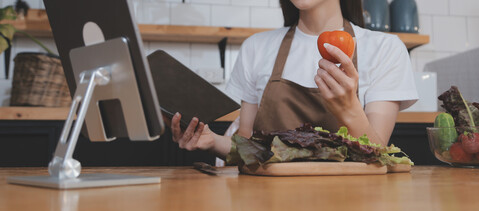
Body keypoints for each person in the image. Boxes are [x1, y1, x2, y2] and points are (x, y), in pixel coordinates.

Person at [168, 0, 418, 160]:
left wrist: (349, 108)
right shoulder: (256, 47)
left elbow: (377, 155)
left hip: (350, 209)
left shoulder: (385, 48)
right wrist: (212, 141)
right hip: (267, 209)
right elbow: (247, 147)